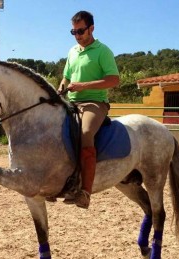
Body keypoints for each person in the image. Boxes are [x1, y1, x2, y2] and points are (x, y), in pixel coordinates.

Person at [58, 10, 120, 209]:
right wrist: (62, 86)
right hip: (71, 102)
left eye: (81, 31)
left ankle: (85, 192)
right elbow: (66, 76)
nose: (77, 36)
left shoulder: (103, 51)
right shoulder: (72, 51)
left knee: (85, 132)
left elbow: (114, 80)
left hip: (95, 103)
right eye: (73, 32)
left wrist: (84, 86)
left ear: (91, 28)